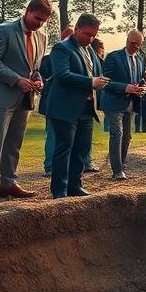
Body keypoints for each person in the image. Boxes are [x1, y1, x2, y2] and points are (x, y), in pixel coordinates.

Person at [0, 0, 50, 205]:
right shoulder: (5, 30)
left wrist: (38, 80)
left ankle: (8, 183)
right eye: (37, 18)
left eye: (43, 21)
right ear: (27, 10)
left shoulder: (42, 37)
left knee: (14, 142)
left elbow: (34, 68)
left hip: (25, 98)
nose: (39, 24)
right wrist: (16, 80)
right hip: (1, 95)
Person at [41, 14, 108, 198]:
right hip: (64, 108)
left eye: (94, 35)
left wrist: (124, 86)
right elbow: (62, 75)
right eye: (87, 34)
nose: (91, 38)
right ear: (77, 29)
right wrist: (90, 82)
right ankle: (59, 191)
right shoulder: (61, 48)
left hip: (86, 109)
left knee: (82, 148)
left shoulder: (91, 50)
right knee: (64, 149)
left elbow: (99, 75)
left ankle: (74, 185)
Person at [99, 29, 146, 180]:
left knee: (127, 136)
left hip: (131, 103)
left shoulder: (140, 58)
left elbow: (141, 79)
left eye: (138, 44)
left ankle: (121, 163)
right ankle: (117, 171)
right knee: (117, 134)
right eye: (132, 43)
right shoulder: (113, 57)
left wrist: (143, 88)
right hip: (113, 103)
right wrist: (125, 87)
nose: (134, 46)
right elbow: (105, 82)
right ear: (127, 40)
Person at [41, 26, 74, 177]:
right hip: (53, 102)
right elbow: (43, 79)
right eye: (68, 38)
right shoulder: (48, 59)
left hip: (71, 103)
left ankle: (65, 165)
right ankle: (50, 166)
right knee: (53, 134)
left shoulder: (77, 57)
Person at [83, 38, 105, 173]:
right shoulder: (93, 56)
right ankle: (87, 161)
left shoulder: (95, 58)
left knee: (85, 133)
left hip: (90, 99)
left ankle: (87, 161)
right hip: (84, 98)